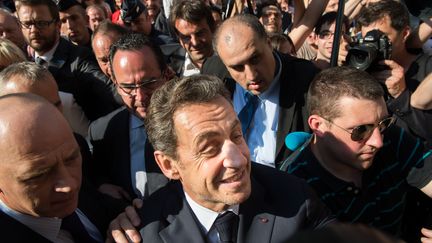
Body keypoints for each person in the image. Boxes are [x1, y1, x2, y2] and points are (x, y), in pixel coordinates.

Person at [108, 74, 334, 243]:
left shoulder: (296, 199)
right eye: (209, 148)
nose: (237, 160)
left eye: (237, 136)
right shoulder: (142, 232)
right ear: (169, 165)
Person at [280, 66, 432, 239]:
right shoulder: (297, 190)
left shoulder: (392, 138)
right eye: (361, 130)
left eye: (383, 122)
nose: (378, 141)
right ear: (318, 126)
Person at [0, 93, 124, 242]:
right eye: (39, 175)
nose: (69, 186)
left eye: (71, 159)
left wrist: (129, 219)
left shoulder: (63, 168)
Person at [213, 14, 319, 167]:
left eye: (255, 58)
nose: (251, 75)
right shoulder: (214, 73)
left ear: (269, 44)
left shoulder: (307, 80)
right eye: (237, 67)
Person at [89, 33, 169, 202]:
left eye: (148, 83)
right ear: (115, 84)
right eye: (128, 87)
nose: (140, 96)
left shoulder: (192, 122)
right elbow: (96, 176)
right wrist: (102, 186)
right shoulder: (102, 132)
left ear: (166, 75)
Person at [15, 0, 119, 121]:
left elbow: (112, 93)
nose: (33, 30)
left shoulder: (80, 59)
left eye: (41, 23)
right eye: (27, 24)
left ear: (57, 25)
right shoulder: (23, 61)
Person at [357, 0, 432, 146]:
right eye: (367, 38)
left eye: (381, 38)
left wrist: (401, 96)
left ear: (405, 34)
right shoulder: (361, 66)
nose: (373, 45)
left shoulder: (428, 69)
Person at [169, 0, 216, 76]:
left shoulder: (230, 59)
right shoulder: (172, 68)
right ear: (179, 38)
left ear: (212, 29)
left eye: (200, 33)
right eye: (186, 37)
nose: (195, 42)